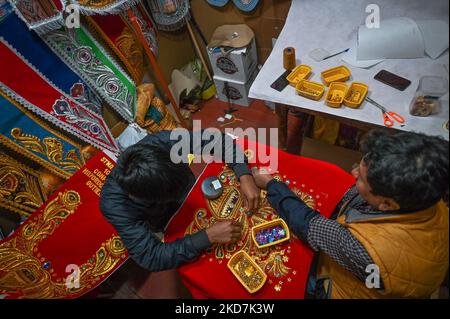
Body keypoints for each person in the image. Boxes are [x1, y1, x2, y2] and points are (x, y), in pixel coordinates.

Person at [252, 130, 449, 298]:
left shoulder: (368, 250)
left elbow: (309, 225)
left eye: (361, 178)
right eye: (359, 166)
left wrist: (271, 184)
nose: (353, 172)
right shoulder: (430, 195)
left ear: (387, 204)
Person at [100, 130, 259, 272]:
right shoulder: (114, 206)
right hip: (168, 221)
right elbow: (151, 256)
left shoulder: (162, 142)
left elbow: (218, 140)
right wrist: (207, 237)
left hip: (192, 192)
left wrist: (244, 174)